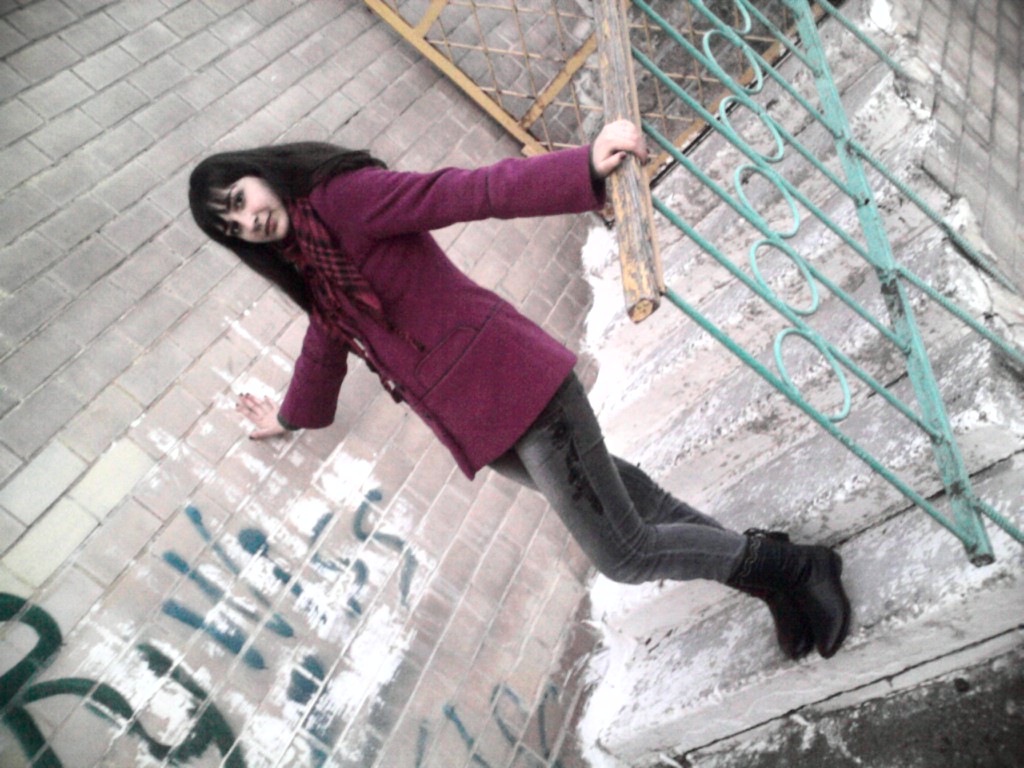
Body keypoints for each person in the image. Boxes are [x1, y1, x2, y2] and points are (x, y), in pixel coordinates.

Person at [188, 120, 850, 660]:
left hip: (521, 389)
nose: (248, 222)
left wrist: (582, 166)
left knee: (623, 553)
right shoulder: (311, 264)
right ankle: (770, 579)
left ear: (261, 172)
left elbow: (467, 192)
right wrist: (289, 417)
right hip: (484, 425)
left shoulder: (346, 199)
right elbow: (324, 343)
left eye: (240, 201)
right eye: (232, 227)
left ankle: (796, 569)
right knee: (635, 501)